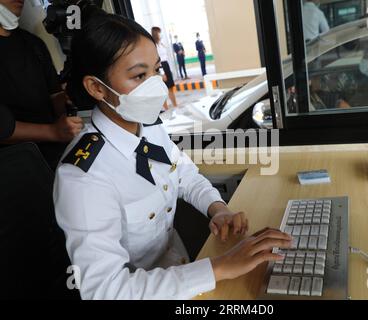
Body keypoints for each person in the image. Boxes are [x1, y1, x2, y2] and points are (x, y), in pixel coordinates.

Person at [54, 14, 291, 300]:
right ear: (97, 88)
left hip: (179, 268)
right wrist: (219, 268)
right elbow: (105, 290)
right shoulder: (83, 177)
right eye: (140, 76)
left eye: (156, 71)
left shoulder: (150, 127)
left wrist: (217, 208)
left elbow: (184, 174)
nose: (156, 85)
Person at [0, 0, 83, 170]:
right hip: (15, 167)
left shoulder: (33, 43)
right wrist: (52, 132)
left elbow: (54, 96)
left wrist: (70, 96)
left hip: (57, 157)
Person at [151, 26, 177, 110]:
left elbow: (165, 57)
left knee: (170, 88)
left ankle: (175, 106)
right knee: (163, 90)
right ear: (156, 34)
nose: (160, 34)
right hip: (161, 67)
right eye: (159, 32)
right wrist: (161, 73)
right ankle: (166, 109)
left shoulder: (160, 44)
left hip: (166, 65)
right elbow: (157, 61)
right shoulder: (154, 46)